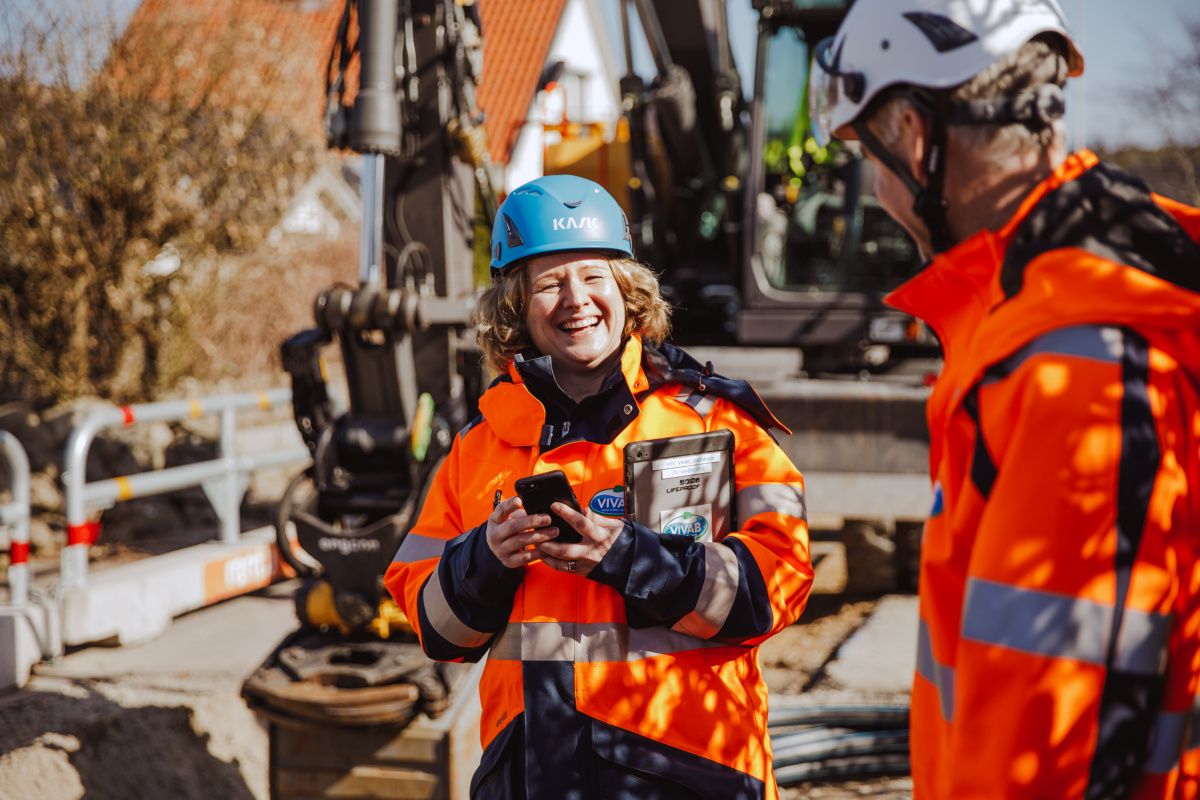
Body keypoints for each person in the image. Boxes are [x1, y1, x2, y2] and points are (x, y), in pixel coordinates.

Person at [810, 1, 1200, 797]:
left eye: (871, 155)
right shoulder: (1066, 295)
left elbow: (1057, 749)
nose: (878, 188)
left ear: (916, 139)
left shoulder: (1075, 365)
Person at [384, 174, 812, 799]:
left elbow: (781, 584)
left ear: (626, 287)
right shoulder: (478, 449)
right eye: (549, 283)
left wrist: (632, 559)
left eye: (591, 276)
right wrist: (486, 558)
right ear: (516, 306)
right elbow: (434, 628)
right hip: (531, 776)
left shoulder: (715, 422)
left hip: (690, 774)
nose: (575, 299)